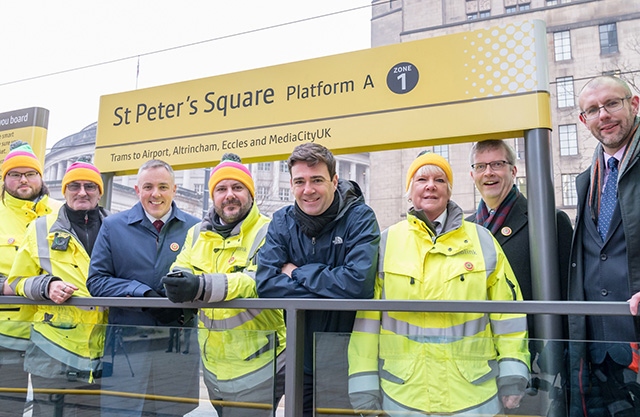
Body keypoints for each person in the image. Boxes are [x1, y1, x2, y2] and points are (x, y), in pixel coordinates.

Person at [348, 152, 530, 416]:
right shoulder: (386, 243)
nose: (430, 185)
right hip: (404, 396)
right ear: (409, 191)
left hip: (474, 396)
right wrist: (363, 386)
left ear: (449, 190)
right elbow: (366, 323)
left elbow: (508, 317)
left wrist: (513, 375)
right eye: (421, 178)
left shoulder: (483, 241)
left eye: (440, 179)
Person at [256, 143, 380, 417]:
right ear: (291, 184)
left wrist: (298, 272)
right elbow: (265, 285)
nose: (307, 190)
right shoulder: (281, 222)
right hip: (299, 362)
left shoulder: (360, 218)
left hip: (347, 362)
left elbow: (358, 285)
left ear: (335, 181)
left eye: (317, 180)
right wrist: (334, 285)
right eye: (299, 181)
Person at [161, 153, 287, 417]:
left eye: (237, 187)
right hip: (213, 365)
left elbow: (258, 280)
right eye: (221, 189)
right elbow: (179, 269)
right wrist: (181, 282)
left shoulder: (271, 229)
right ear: (213, 196)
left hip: (261, 363)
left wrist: (200, 286)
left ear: (250, 193)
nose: (229, 195)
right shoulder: (195, 233)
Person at [87, 159, 200, 417]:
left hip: (177, 343)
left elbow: (207, 278)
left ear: (174, 190)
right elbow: (96, 281)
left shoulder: (196, 228)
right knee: (123, 411)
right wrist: (143, 294)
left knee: (170, 410)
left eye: (163, 186)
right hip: (126, 344)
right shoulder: (113, 227)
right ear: (137, 190)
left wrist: (185, 305)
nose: (155, 194)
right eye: (148, 187)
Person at [468, 139, 573, 414]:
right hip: (476, 363)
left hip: (537, 366)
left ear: (514, 171)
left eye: (497, 164)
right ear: (472, 174)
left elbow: (566, 294)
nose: (488, 172)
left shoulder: (549, 221)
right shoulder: (465, 230)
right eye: (481, 166)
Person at [8, 161, 108, 416]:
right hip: (52, 349)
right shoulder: (40, 227)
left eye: (90, 186)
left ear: (100, 191)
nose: (82, 192)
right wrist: (46, 285)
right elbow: (16, 281)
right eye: (74, 186)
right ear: (64, 191)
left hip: (103, 348)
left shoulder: (117, 227)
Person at [567, 75, 640, 417]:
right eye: (593, 110)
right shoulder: (588, 180)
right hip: (598, 350)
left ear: (634, 104)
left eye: (612, 103)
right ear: (584, 120)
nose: (603, 115)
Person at [0, 141, 61, 416]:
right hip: (5, 336)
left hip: (55, 333)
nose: (23, 179)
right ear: (5, 180)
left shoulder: (63, 212)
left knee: (50, 412)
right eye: (15, 174)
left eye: (30, 173)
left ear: (40, 177)